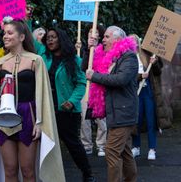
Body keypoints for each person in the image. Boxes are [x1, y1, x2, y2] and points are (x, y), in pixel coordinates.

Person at [0, 18, 65, 182]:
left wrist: (40, 122)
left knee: (27, 170)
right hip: (3, 119)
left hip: (28, 116)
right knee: (10, 169)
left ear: (21, 37)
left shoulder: (36, 60)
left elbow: (42, 95)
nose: (5, 36)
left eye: (10, 33)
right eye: (4, 33)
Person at [40, 28, 96, 182]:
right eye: (48, 38)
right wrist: (27, 19)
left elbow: (81, 83)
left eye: (53, 37)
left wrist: (71, 101)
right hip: (46, 109)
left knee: (72, 144)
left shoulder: (74, 60)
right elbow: (29, 40)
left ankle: (87, 173)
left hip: (67, 110)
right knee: (45, 144)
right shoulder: (43, 57)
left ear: (61, 39)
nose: (50, 40)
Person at [85, 26, 138, 182]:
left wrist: (95, 76)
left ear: (117, 39)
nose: (103, 39)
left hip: (124, 113)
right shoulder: (109, 56)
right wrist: (90, 50)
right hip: (114, 113)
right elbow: (86, 68)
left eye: (107, 37)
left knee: (111, 151)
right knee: (125, 152)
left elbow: (121, 80)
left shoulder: (129, 57)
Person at [129, 34, 162, 160]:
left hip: (147, 91)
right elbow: (126, 76)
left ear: (138, 42)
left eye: (134, 41)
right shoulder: (126, 57)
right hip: (134, 92)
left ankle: (152, 148)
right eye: (129, 41)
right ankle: (136, 147)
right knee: (136, 120)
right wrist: (139, 77)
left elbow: (158, 72)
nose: (132, 43)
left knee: (150, 120)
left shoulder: (146, 55)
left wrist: (155, 63)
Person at [80, 24, 107, 157]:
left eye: (95, 32)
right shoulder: (87, 49)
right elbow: (83, 67)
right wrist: (88, 50)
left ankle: (101, 145)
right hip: (87, 87)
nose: (93, 34)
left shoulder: (105, 50)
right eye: (90, 32)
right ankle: (86, 145)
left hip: (100, 87)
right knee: (84, 118)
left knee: (101, 119)